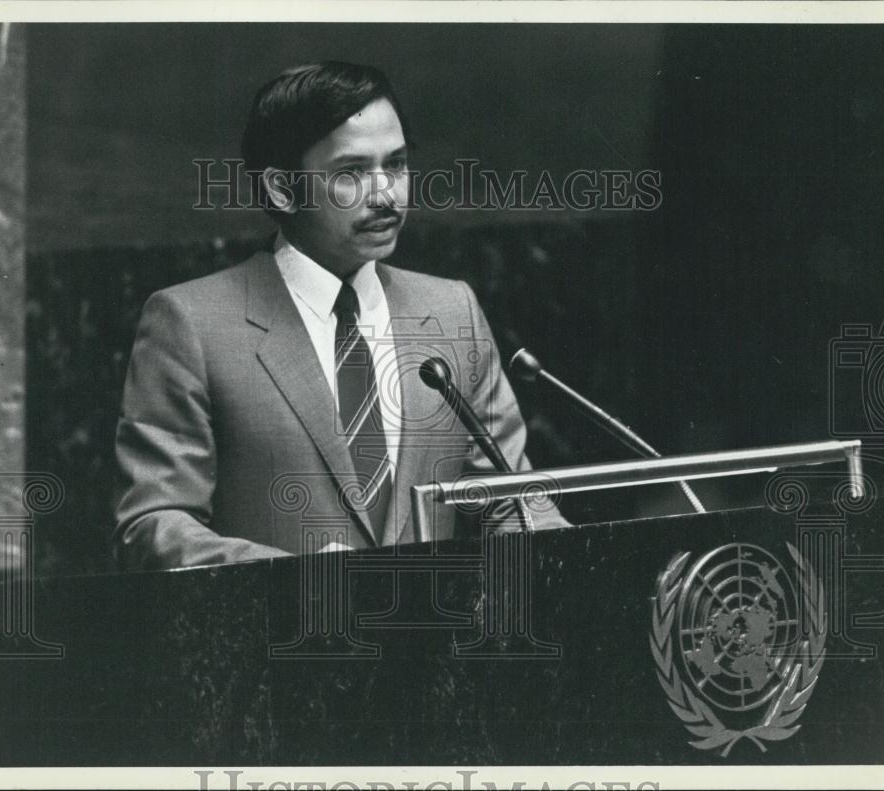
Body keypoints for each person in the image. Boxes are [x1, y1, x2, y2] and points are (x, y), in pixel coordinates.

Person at [112, 61, 564, 570]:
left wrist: (567, 554)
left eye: (395, 165)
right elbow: (154, 522)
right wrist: (293, 577)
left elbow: (512, 499)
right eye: (350, 173)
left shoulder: (449, 309)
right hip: (284, 642)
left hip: (440, 641)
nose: (385, 194)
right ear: (282, 189)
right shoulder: (192, 322)